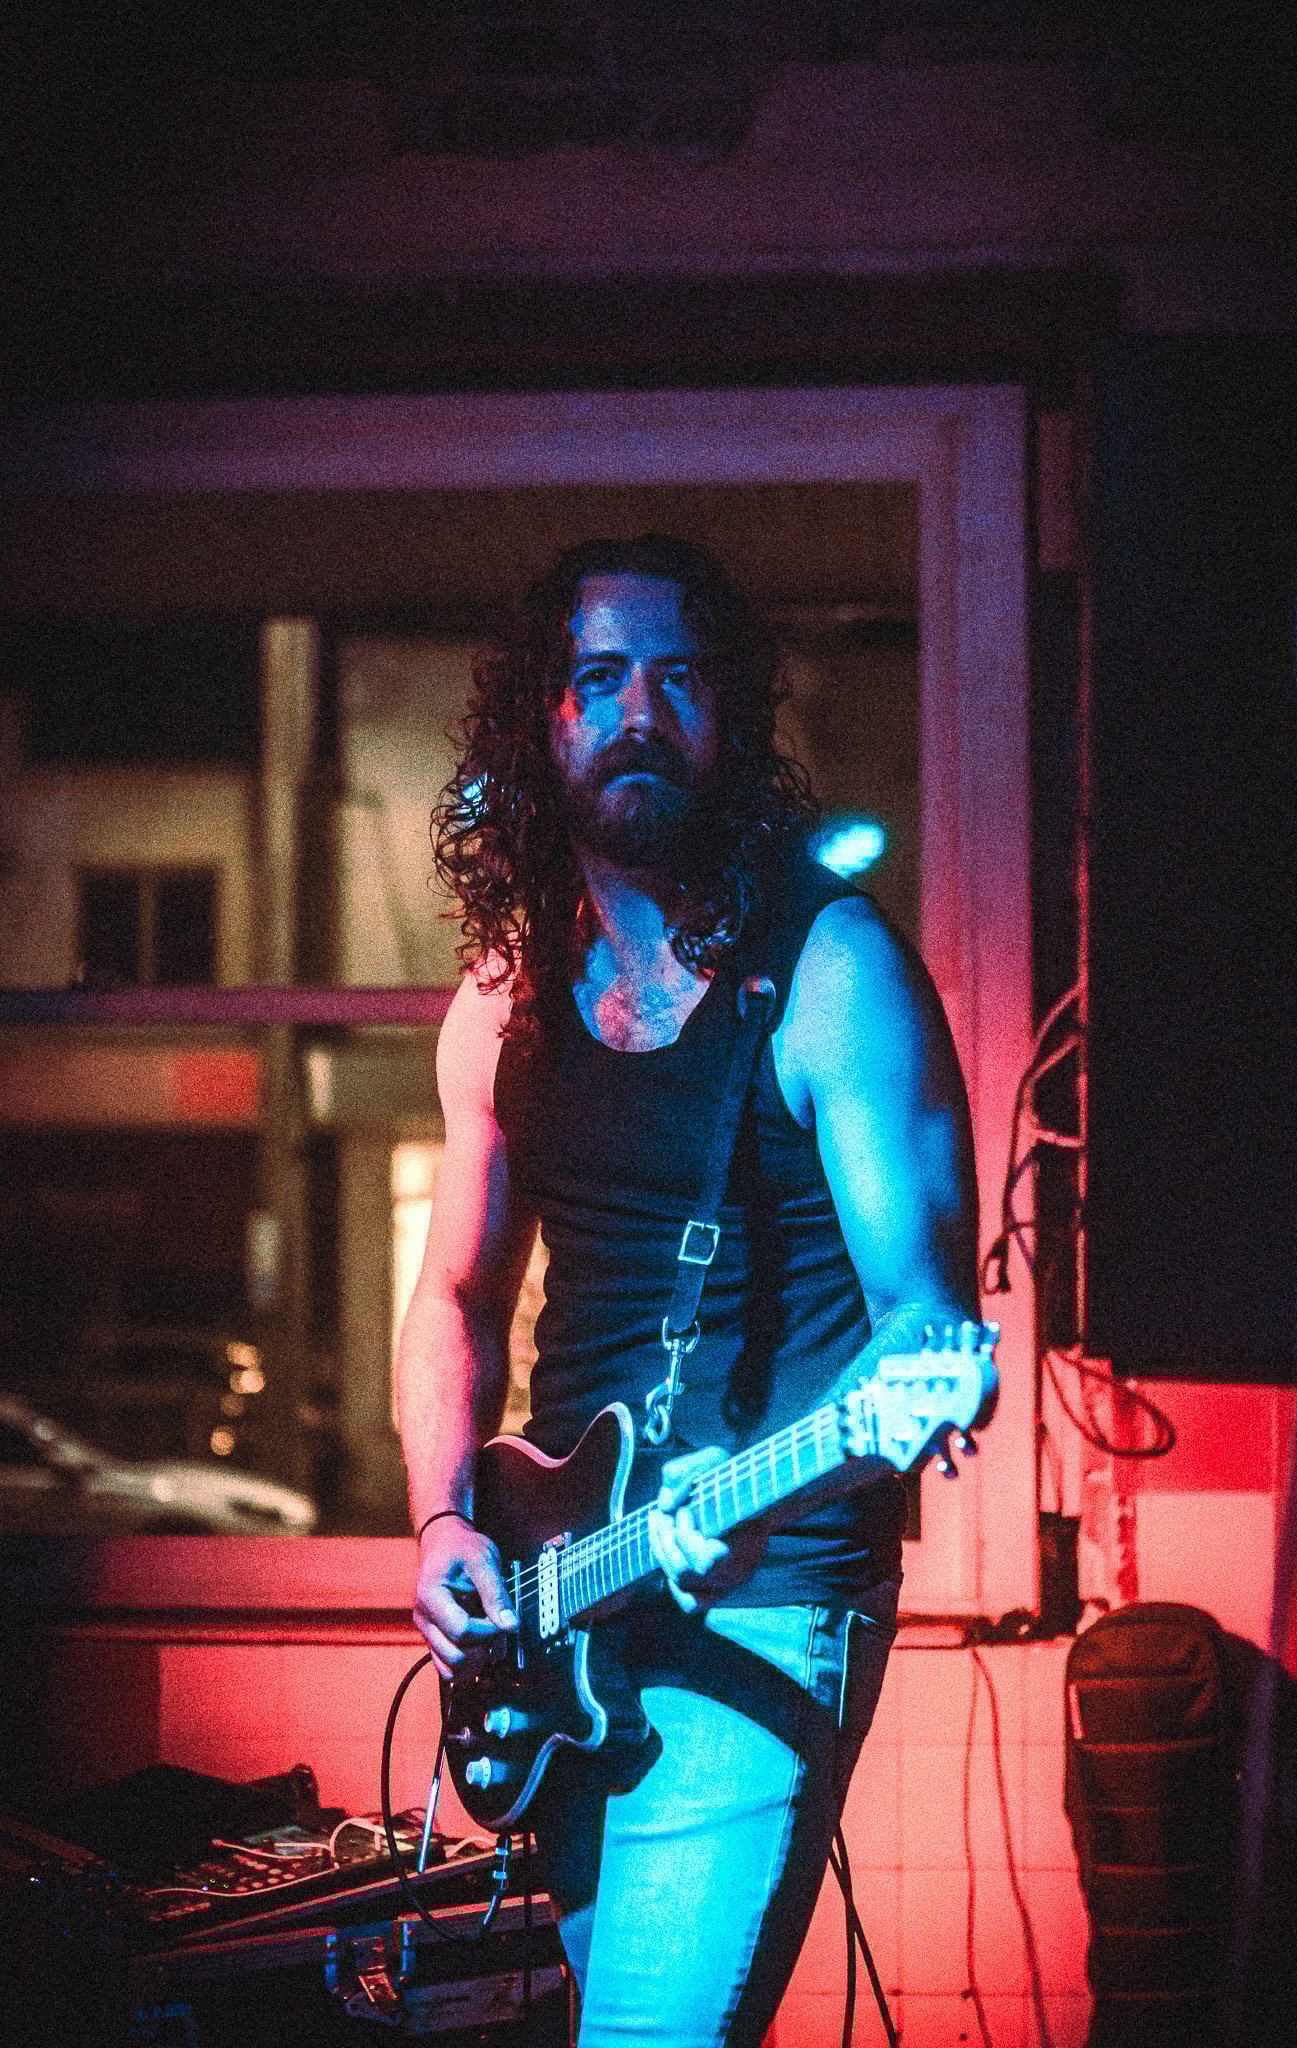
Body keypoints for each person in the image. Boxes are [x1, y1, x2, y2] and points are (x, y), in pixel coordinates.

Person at [395, 534, 980, 2046]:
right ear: (548, 723)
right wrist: (448, 1517)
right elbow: (455, 1298)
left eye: (678, 675)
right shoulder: (504, 1004)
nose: (639, 709)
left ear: (733, 715)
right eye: (599, 678)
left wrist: (811, 1465)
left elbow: (926, 1331)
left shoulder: (836, 974)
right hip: (565, 1602)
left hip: (764, 1589)